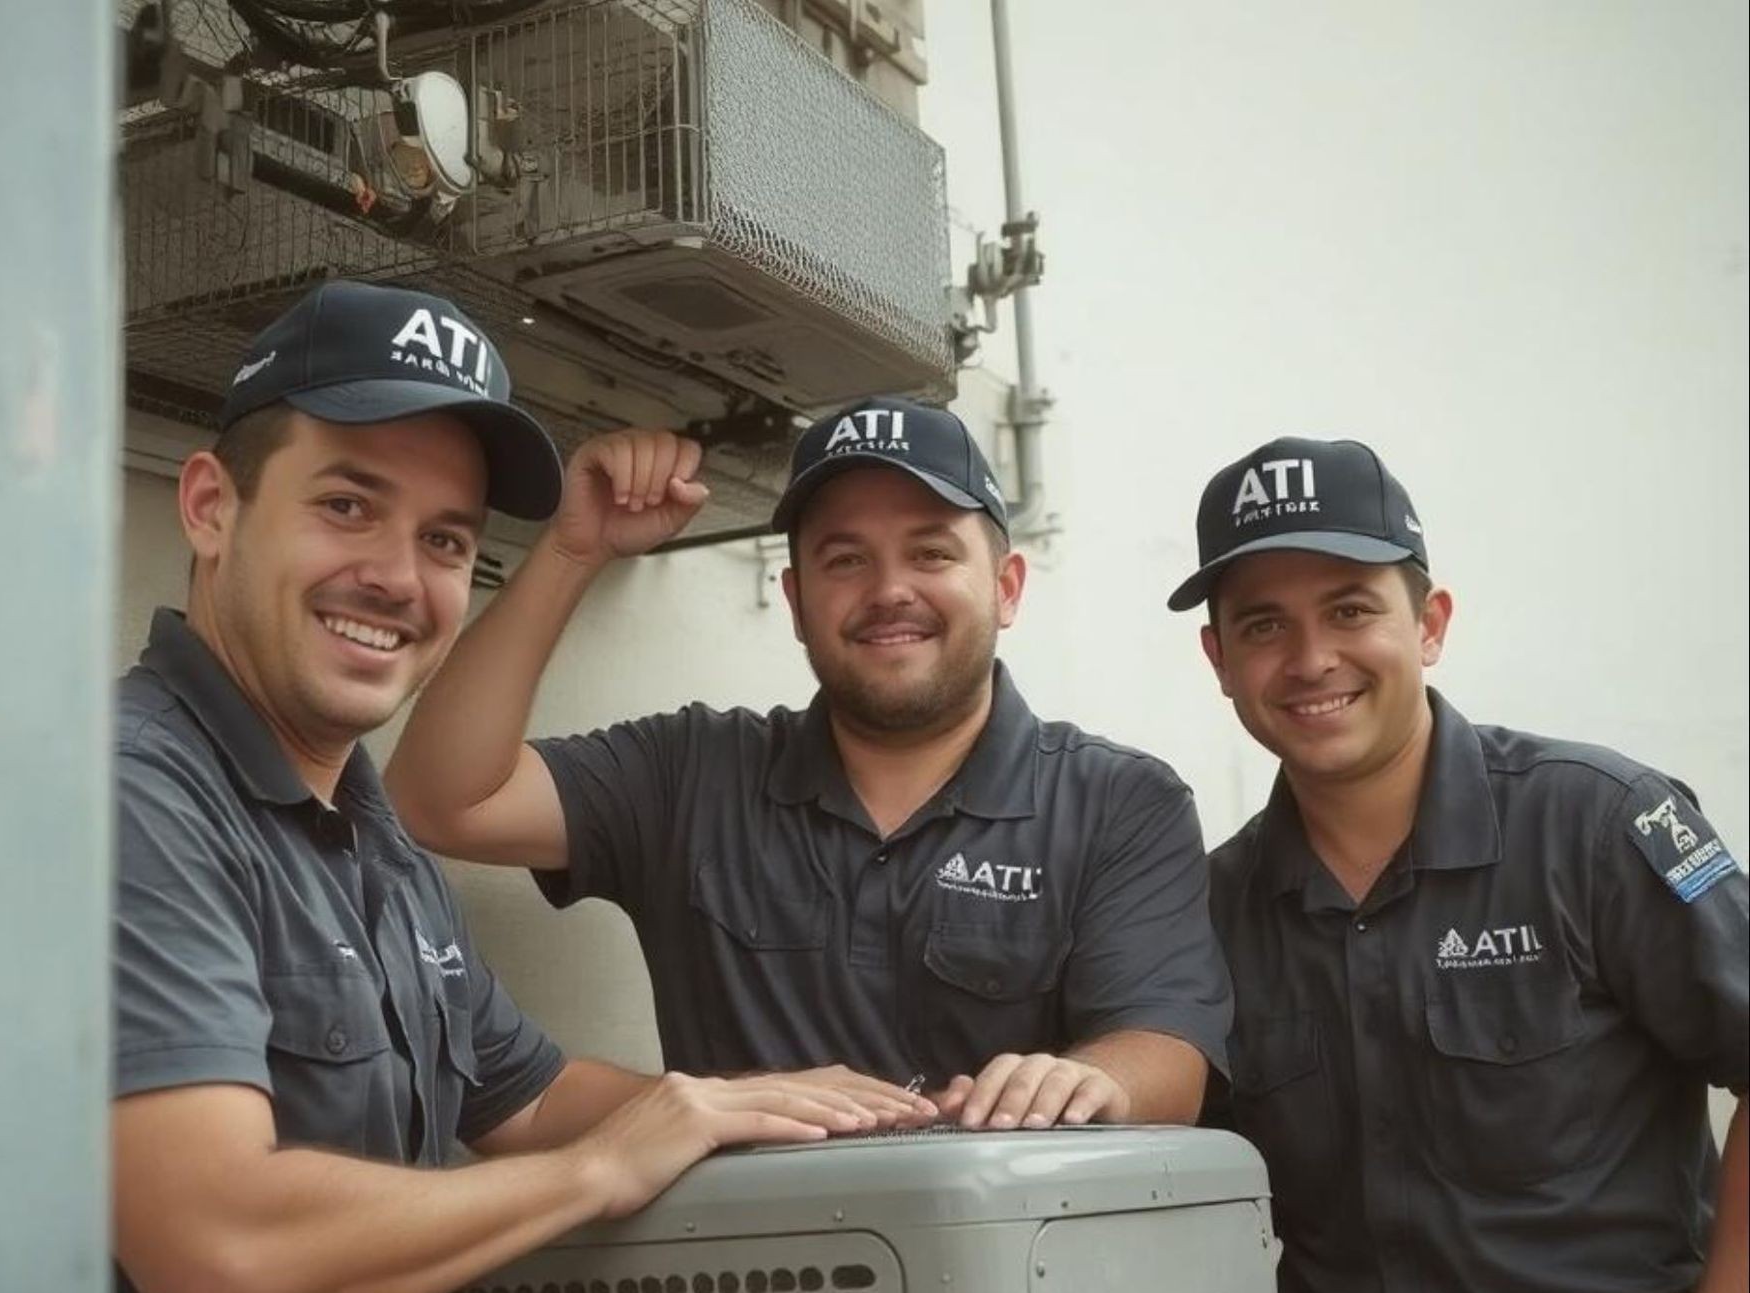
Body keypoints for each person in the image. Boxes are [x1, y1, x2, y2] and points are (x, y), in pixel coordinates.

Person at [109, 280, 930, 1293]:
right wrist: (599, 1173)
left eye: (446, 539)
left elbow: (527, 1089)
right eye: (345, 503)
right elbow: (221, 1247)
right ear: (211, 505)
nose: (398, 574)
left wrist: (766, 1104)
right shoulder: (137, 794)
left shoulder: (363, 831)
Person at [1172, 435, 1749, 1293]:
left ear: (1429, 623)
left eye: (1350, 609)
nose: (1310, 658)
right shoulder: (1211, 909)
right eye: (1263, 624)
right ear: (1219, 660)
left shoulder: (1598, 824)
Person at [385, 397, 1231, 1130]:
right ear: (795, 603)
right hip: (758, 1286)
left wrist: (1092, 1080)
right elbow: (443, 800)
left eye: (932, 553)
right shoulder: (691, 771)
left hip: (1016, 1282)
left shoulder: (1120, 802)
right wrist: (573, 551)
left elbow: (1167, 1052)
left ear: (1007, 587)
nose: (889, 589)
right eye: (845, 559)